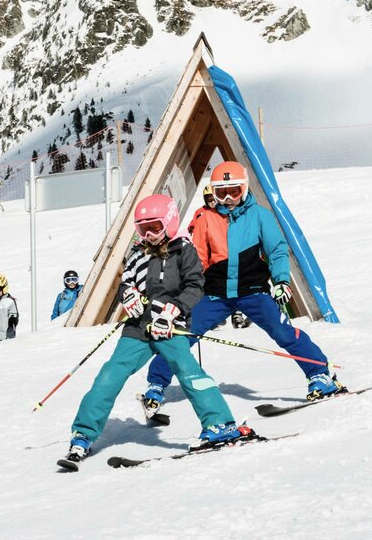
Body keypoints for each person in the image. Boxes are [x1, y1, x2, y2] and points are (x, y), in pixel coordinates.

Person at [60, 194, 253, 465]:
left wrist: (172, 312)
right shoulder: (138, 253)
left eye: (155, 227)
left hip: (170, 327)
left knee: (189, 372)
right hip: (138, 328)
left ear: (170, 223)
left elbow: (195, 286)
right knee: (109, 375)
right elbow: (125, 283)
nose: (149, 234)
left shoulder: (183, 249)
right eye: (143, 229)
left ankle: (220, 424)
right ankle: (83, 434)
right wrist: (128, 296)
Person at [143, 161, 347, 411]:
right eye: (221, 192)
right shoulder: (206, 218)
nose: (227, 198)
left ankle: (319, 375)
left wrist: (281, 280)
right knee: (181, 333)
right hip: (215, 295)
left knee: (283, 331)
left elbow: (277, 250)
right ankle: (156, 384)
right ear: (213, 192)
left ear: (245, 189)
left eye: (234, 191)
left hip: (253, 291)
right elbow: (197, 260)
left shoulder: (260, 215)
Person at [188, 185, 251, 330]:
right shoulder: (202, 213)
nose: (212, 202)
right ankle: (215, 316)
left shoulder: (225, 212)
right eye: (208, 199)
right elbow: (194, 225)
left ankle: (237, 313)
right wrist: (194, 228)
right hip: (209, 255)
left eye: (213, 199)